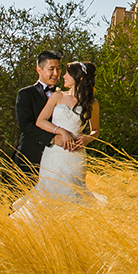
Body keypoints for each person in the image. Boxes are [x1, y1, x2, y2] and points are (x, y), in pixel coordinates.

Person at [11, 61, 105, 218]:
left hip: (75, 154)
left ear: (80, 78)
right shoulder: (57, 96)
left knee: (74, 191)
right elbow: (40, 121)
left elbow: (95, 130)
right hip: (54, 154)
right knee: (49, 190)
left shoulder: (92, 103)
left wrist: (87, 138)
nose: (64, 76)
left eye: (68, 73)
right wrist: (60, 131)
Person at [12, 50, 63, 179]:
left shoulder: (64, 95)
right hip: (31, 155)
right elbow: (25, 125)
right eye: (51, 69)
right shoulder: (25, 93)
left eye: (58, 69)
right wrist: (51, 139)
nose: (55, 74)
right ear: (39, 70)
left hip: (59, 156)